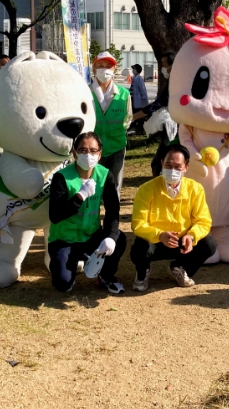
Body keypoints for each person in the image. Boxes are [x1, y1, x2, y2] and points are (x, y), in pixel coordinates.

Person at [47, 132, 126, 293]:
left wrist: (110, 237)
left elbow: (112, 210)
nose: (88, 154)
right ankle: (62, 264)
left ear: (99, 154)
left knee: (119, 238)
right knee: (63, 284)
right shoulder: (61, 177)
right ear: (74, 153)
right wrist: (80, 196)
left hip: (91, 236)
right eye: (82, 150)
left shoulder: (104, 174)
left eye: (93, 150)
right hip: (64, 240)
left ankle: (105, 276)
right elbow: (54, 216)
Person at [130, 144, 215, 290]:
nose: (172, 170)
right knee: (139, 249)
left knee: (209, 244)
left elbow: (203, 221)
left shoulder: (195, 188)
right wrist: (159, 235)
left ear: (186, 167)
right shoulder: (146, 189)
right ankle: (142, 271)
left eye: (178, 167)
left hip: (182, 242)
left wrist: (192, 236)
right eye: (168, 165)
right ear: (162, 163)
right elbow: (138, 224)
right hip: (155, 241)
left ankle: (179, 268)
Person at [90, 51, 132, 194]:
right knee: (91, 188)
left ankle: (112, 216)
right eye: (100, 65)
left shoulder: (124, 94)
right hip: (91, 148)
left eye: (109, 66)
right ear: (94, 68)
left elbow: (128, 119)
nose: (105, 69)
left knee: (114, 188)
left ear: (114, 69)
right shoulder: (86, 92)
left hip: (116, 147)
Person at [134, 52, 176, 177]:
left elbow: (161, 102)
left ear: (172, 66)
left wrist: (137, 115)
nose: (162, 68)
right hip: (171, 125)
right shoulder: (174, 81)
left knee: (161, 160)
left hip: (174, 126)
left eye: (164, 64)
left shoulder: (177, 82)